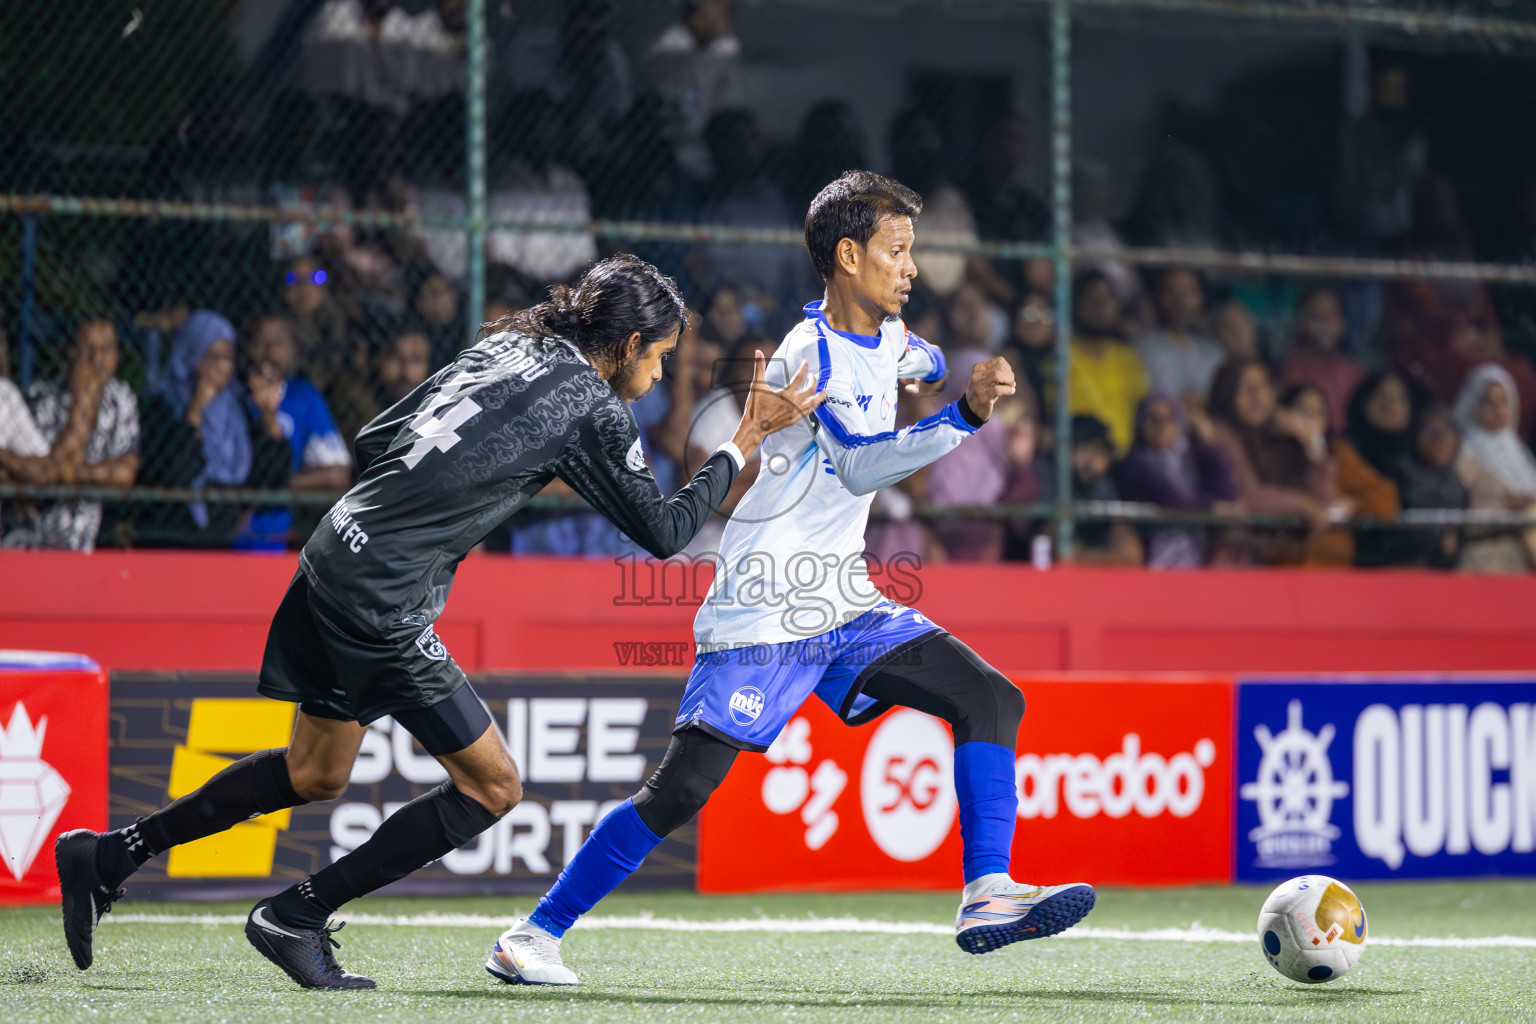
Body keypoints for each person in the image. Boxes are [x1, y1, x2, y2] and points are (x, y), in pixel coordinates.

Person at [55, 255, 821, 989]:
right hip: (382, 595)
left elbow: (376, 440)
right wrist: (740, 440)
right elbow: (665, 530)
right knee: (494, 788)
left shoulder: (513, 344)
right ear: (625, 346)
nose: (655, 376)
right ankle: (298, 912)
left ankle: (111, 855)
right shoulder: (588, 401)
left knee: (314, 772)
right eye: (657, 359)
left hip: (333, 549)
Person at [482, 171, 1095, 988]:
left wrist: (933, 361)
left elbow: (918, 354)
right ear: (848, 256)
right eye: (898, 250)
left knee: (990, 697)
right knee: (683, 789)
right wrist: (963, 417)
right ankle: (533, 933)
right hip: (767, 603)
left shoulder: (886, 334)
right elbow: (858, 464)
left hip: (842, 602)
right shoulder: (809, 355)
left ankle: (988, 891)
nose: (912, 266)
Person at [132, 311, 294, 545]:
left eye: (225, 357)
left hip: (221, 541)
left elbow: (271, 486)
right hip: (167, 538)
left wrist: (269, 416)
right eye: (209, 356)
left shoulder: (237, 412)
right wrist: (196, 405)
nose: (217, 367)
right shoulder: (161, 406)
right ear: (189, 353)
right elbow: (174, 474)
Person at [5, 319, 140, 551]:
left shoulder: (121, 399)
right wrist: (81, 406)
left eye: (106, 350)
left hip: (86, 536)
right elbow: (44, 472)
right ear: (67, 355)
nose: (96, 361)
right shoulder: (40, 398)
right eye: (87, 350)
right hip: (32, 536)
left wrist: (69, 474)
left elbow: (124, 472)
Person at [1207, 358, 1347, 566]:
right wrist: (1301, 504)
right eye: (1246, 388)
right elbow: (1249, 497)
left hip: (1278, 562)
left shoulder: (1281, 438)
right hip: (1230, 561)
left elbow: (1323, 505)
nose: (1257, 397)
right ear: (1227, 393)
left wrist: (1313, 445)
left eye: (1263, 387)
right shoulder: (1220, 433)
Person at [235, 314, 354, 551]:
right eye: (259, 341)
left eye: (277, 342)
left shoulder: (303, 397)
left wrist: (269, 490)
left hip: (275, 525)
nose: (268, 351)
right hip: (226, 519)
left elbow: (336, 475)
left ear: (294, 350)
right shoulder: (232, 394)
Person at [1114, 394, 1237, 568]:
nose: (1162, 426)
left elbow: (1226, 494)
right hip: (1155, 559)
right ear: (1141, 424)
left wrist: (1209, 443)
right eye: (1154, 419)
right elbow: (1173, 503)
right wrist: (1211, 508)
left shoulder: (1191, 458)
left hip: (1199, 554)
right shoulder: (1133, 465)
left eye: (1170, 418)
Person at [1066, 270, 1149, 455]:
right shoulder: (1060, 353)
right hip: (1074, 461)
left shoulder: (1129, 358)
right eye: (1092, 298)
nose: (1101, 306)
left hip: (1123, 464)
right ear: (1076, 304)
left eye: (1108, 298)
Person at [1047, 414, 1144, 566]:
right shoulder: (1049, 477)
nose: (1092, 460)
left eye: (1100, 452)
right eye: (1084, 449)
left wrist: (1087, 557)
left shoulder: (1109, 484)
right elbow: (1058, 550)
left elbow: (1131, 555)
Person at [1133, 268, 1224, 410]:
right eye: (1171, 291)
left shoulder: (1214, 350)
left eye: (1188, 291)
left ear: (1200, 297)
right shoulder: (1142, 347)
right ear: (1158, 297)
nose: (1181, 300)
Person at [1280, 287, 1365, 432]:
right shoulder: (1291, 368)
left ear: (1343, 322)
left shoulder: (1353, 371)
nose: (1325, 321)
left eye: (1331, 313)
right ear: (1302, 322)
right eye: (1316, 315)